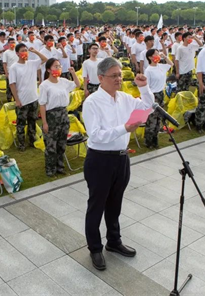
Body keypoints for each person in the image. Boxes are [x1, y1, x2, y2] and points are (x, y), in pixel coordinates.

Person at [82, 57, 154, 271]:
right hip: (100, 160)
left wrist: (144, 87)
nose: (119, 79)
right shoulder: (92, 102)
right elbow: (95, 135)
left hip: (121, 158)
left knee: (115, 203)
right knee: (97, 205)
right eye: (114, 76)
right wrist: (125, 128)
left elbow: (147, 108)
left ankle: (114, 241)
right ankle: (95, 247)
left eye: (120, 75)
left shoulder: (124, 98)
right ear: (101, 78)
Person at [39, 59, 80, 176]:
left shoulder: (63, 81)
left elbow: (77, 84)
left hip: (63, 114)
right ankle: (50, 169)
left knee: (61, 144)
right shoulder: (45, 85)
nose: (58, 68)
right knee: (51, 145)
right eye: (55, 66)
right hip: (51, 115)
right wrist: (45, 122)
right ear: (48, 69)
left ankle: (60, 167)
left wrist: (73, 73)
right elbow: (42, 104)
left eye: (59, 66)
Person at [9, 44, 48, 151]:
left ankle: (32, 141)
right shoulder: (14, 67)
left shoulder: (32, 64)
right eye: (22, 51)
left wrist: (35, 51)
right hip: (22, 100)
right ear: (17, 53)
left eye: (26, 50)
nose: (25, 52)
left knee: (32, 121)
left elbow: (45, 59)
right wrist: (17, 100)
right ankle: (21, 144)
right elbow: (12, 84)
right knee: (21, 124)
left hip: (33, 98)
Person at [143, 49, 173, 148]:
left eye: (157, 54)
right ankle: (148, 141)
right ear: (150, 57)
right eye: (155, 54)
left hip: (161, 94)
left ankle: (155, 141)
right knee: (152, 119)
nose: (157, 56)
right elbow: (146, 86)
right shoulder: (148, 70)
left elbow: (171, 64)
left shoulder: (161, 66)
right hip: (153, 95)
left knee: (158, 119)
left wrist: (164, 56)